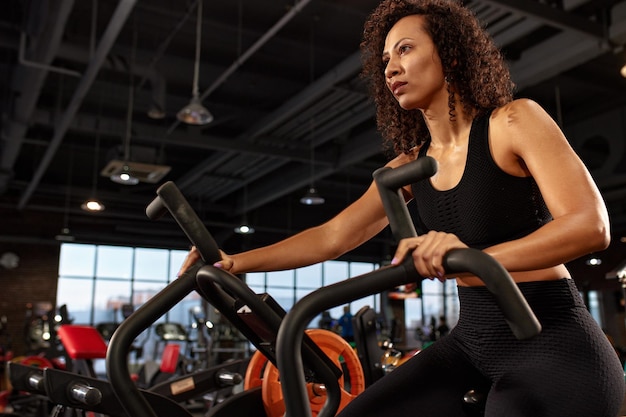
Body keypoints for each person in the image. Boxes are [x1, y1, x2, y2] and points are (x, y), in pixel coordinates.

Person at [178, 0, 625, 415]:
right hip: (473, 341)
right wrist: (232, 261)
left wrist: (471, 260)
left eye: (405, 49)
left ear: (450, 54)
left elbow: (589, 226)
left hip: (554, 341)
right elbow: (335, 235)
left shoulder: (513, 122)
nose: (391, 68)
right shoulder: (410, 165)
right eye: (386, 59)